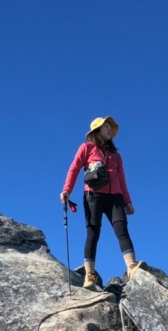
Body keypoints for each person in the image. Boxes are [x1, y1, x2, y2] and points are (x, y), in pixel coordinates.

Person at [60, 116, 145, 289]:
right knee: (93, 233)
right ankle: (89, 275)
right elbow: (74, 168)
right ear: (96, 131)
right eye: (105, 127)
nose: (109, 130)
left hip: (115, 197)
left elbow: (122, 179)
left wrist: (127, 201)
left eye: (109, 127)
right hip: (93, 196)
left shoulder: (116, 155)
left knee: (122, 229)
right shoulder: (87, 147)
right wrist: (67, 190)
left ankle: (131, 267)